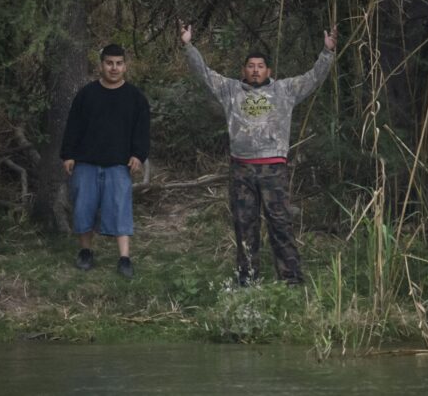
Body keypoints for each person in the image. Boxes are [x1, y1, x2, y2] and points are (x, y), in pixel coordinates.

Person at [180, 21, 338, 286]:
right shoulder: (230, 90)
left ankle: (291, 280)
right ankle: (247, 278)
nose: (255, 71)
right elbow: (204, 73)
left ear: (268, 70)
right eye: (251, 66)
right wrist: (187, 45)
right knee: (245, 225)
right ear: (244, 70)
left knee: (280, 224)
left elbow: (313, 78)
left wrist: (327, 53)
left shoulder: (284, 90)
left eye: (260, 66)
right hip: (241, 169)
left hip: (273, 169)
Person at [60, 44, 150, 278]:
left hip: (119, 164)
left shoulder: (135, 98)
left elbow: (142, 130)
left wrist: (138, 155)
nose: (114, 68)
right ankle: (86, 252)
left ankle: (124, 258)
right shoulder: (86, 94)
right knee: (83, 208)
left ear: (125, 66)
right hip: (86, 163)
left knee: (121, 209)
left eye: (119, 63)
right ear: (101, 65)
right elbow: (73, 126)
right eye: (109, 63)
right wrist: (68, 154)